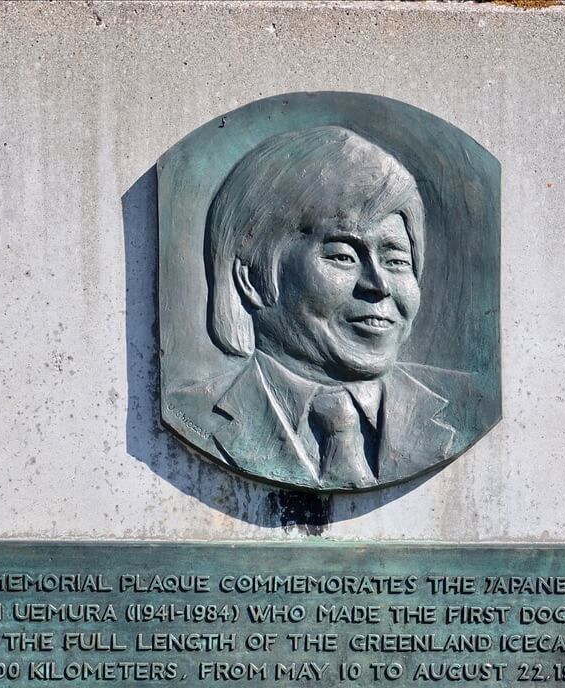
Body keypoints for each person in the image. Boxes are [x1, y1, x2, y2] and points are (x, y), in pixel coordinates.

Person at [169, 125, 469, 491]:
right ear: (250, 276)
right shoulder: (192, 413)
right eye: (343, 255)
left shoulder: (467, 407)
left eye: (396, 261)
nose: (378, 286)